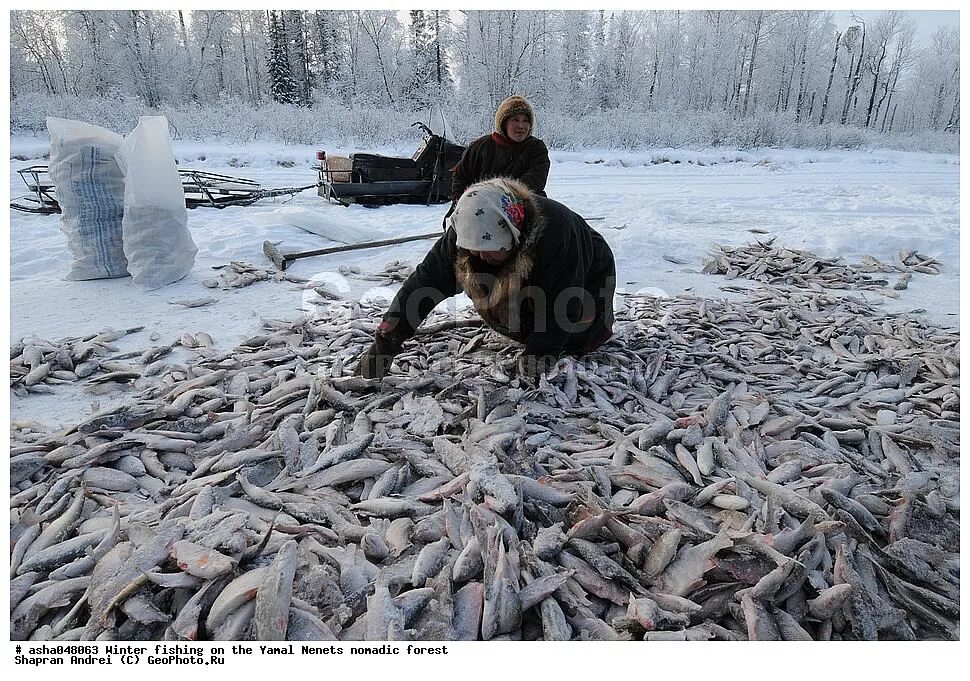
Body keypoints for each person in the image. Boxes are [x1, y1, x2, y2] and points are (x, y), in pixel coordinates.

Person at [355, 177, 616, 384]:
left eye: (489, 247)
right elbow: (425, 283)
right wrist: (388, 338)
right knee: (505, 302)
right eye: (473, 247)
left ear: (511, 233)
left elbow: (562, 303)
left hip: (586, 277)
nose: (480, 254)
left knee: (577, 335)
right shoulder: (467, 226)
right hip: (531, 271)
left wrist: (539, 355)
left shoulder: (556, 234)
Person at [442, 95, 550, 229]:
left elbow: (535, 180)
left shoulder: (536, 148)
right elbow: (461, 177)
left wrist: (500, 201)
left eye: (526, 121)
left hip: (523, 208)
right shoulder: (481, 146)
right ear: (503, 122)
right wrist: (463, 205)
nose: (521, 126)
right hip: (479, 209)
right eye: (515, 120)